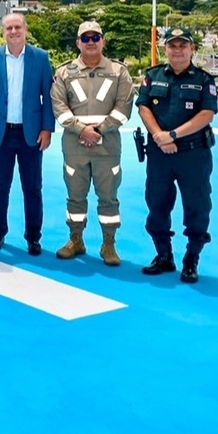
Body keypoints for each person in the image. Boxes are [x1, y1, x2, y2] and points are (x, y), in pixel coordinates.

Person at [136, 26, 217, 283]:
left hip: (193, 155)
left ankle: (191, 259)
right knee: (156, 204)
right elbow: (143, 107)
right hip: (160, 154)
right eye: (172, 45)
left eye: (183, 45)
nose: (178, 50)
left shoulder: (204, 80)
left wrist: (173, 135)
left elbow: (206, 114)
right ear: (165, 49)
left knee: (197, 206)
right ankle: (163, 255)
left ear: (192, 48)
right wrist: (160, 136)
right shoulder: (153, 75)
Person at [50, 20, 134, 266]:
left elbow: (124, 108)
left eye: (95, 37)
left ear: (102, 41)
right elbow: (59, 107)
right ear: (78, 42)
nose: (90, 42)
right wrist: (81, 130)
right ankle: (75, 239)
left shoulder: (119, 72)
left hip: (107, 146)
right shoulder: (63, 72)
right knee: (75, 196)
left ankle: (109, 244)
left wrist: (98, 130)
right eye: (85, 38)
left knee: (108, 197)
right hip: (75, 146)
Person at [0, 12, 55, 255]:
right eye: (9, 28)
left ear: (25, 30)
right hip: (0, 133)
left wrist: (47, 128)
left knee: (32, 188)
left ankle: (33, 237)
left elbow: (49, 96)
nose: (13, 32)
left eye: (17, 27)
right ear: (3, 31)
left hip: (30, 134)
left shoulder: (40, 58)